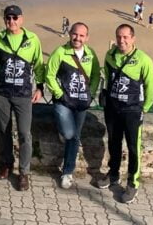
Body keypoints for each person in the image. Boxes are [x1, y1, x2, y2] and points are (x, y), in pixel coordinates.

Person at [96, 23, 153, 204]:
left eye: (125, 37)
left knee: (132, 147)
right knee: (114, 143)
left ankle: (133, 182)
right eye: (119, 37)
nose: (122, 40)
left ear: (133, 39)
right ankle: (113, 174)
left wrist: (144, 108)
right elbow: (107, 77)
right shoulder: (110, 55)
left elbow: (150, 85)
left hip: (132, 110)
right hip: (113, 109)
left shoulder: (143, 59)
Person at [0, 4, 44, 191]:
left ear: (21, 19)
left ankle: (24, 172)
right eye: (8, 18)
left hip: (23, 94)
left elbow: (38, 65)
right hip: (3, 93)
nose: (11, 21)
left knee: (24, 134)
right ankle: (6, 164)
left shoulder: (32, 39)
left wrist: (41, 88)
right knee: (3, 130)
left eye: (15, 18)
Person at [45, 22, 100, 189]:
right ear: (70, 34)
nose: (78, 38)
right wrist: (60, 94)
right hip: (63, 101)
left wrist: (90, 93)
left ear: (87, 38)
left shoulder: (91, 54)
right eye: (75, 34)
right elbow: (50, 75)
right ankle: (63, 131)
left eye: (82, 35)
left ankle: (67, 171)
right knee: (69, 133)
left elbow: (96, 75)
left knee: (75, 136)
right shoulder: (60, 52)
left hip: (81, 102)